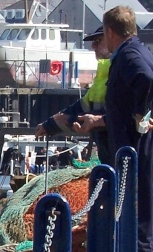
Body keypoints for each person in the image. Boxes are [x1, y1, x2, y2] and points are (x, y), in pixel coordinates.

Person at [102, 5, 153, 252]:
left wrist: (140, 115)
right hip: (144, 145)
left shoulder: (128, 56)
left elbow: (145, 80)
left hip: (138, 149)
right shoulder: (138, 48)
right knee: (143, 222)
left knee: (139, 223)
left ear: (110, 32)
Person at [34, 26, 112, 164]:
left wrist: (69, 121)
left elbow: (103, 116)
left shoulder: (119, 70)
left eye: (98, 40)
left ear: (111, 37)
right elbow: (82, 107)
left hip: (123, 152)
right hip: (109, 153)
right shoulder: (103, 71)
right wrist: (50, 124)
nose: (93, 46)